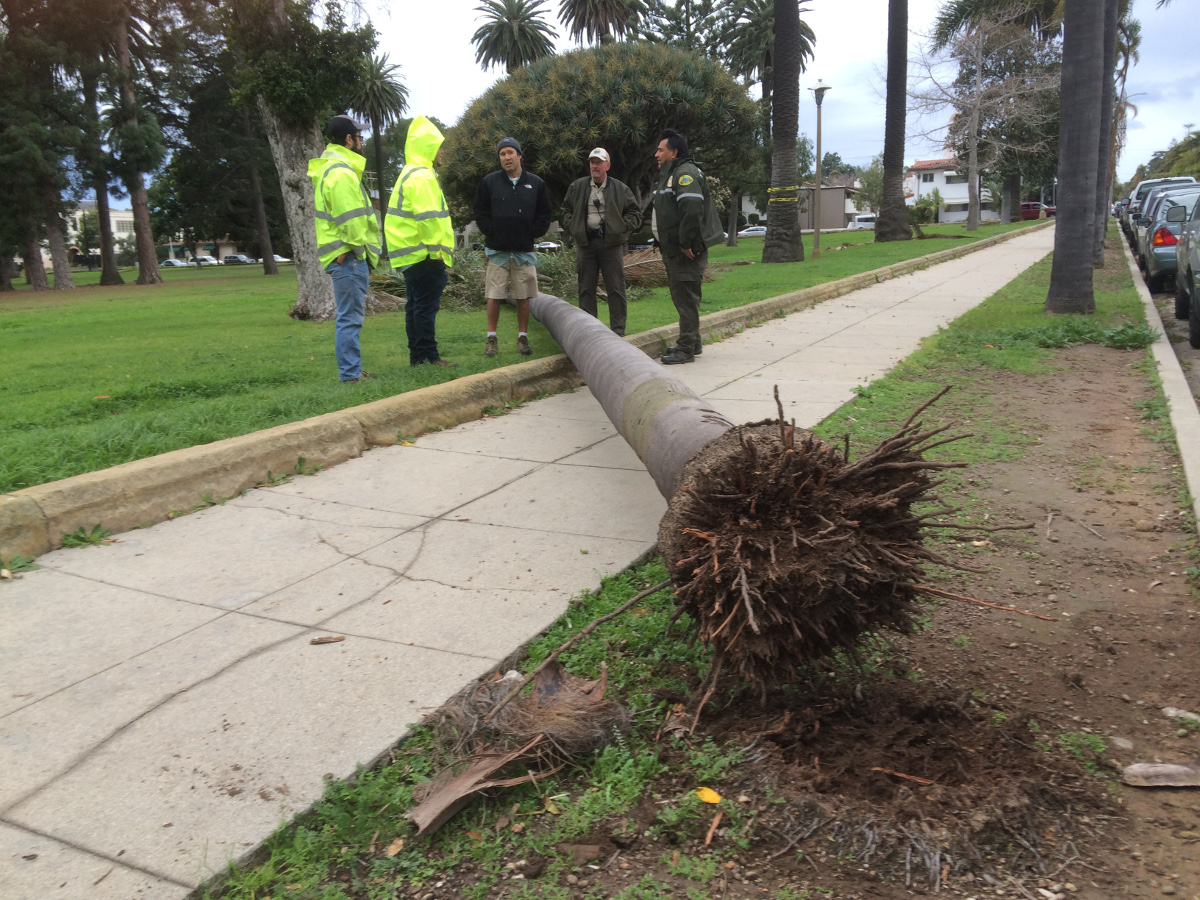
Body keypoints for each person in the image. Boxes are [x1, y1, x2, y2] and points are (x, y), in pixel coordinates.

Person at [308, 114, 381, 383]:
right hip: (347, 256)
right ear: (349, 140)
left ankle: (353, 370)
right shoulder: (340, 173)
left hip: (346, 255)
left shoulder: (336, 168)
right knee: (349, 318)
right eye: (359, 136)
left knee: (350, 317)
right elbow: (351, 222)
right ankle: (350, 375)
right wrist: (359, 253)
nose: (362, 140)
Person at [383, 116, 457, 368]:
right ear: (428, 147)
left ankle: (417, 357)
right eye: (438, 146)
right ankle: (429, 357)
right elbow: (427, 218)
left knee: (414, 307)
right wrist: (436, 250)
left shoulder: (408, 173)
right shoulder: (423, 176)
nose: (442, 151)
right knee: (425, 308)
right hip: (424, 255)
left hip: (410, 255)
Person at [473, 137, 552, 357]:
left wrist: (534, 231)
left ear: (519, 155)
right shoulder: (489, 182)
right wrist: (491, 230)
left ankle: (522, 338)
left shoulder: (536, 183)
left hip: (523, 251)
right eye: (502, 154)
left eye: (510, 153)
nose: (507, 157)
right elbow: (479, 211)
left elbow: (545, 213)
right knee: (494, 295)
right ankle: (491, 339)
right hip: (497, 251)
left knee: (523, 296)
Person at [652, 129, 722, 365]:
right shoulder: (672, 174)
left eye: (660, 150)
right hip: (674, 249)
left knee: (686, 299)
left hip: (686, 251)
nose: (656, 154)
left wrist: (685, 243)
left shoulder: (685, 174)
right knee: (684, 297)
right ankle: (693, 342)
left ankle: (686, 350)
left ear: (674, 152)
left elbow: (691, 209)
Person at [560, 148, 643, 336]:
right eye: (592, 162)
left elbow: (635, 213)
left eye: (599, 162)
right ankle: (590, 331)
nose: (594, 166)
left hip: (611, 245)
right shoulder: (578, 186)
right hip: (585, 244)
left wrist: (621, 227)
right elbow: (565, 209)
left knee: (616, 288)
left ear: (608, 165)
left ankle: (618, 331)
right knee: (585, 289)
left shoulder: (620, 188)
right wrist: (574, 226)